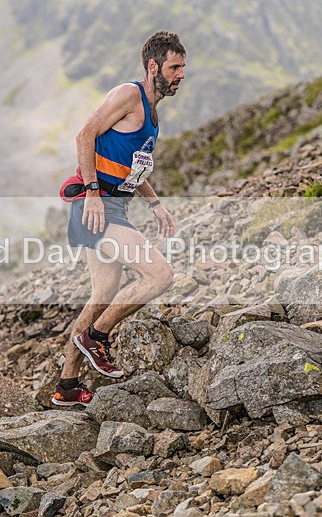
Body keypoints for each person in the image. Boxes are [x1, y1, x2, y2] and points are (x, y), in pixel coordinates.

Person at [51, 31, 186, 406]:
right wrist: (93, 192)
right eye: (175, 67)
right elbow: (84, 136)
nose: (181, 75)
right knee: (160, 275)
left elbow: (132, 168)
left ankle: (67, 385)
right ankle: (96, 337)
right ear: (153, 66)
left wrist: (155, 203)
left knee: (103, 294)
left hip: (114, 206)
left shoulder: (152, 114)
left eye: (183, 68)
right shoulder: (129, 95)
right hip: (95, 206)